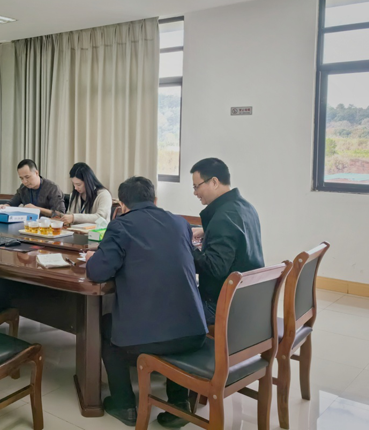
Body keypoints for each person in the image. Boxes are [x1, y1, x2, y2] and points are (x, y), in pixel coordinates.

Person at [85, 176, 207, 427]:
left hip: (147, 340)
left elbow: (97, 272)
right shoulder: (180, 223)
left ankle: (125, 405)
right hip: (194, 330)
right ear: (155, 199)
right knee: (172, 318)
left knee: (106, 325)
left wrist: (93, 257)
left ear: (122, 204)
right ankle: (179, 404)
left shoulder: (121, 225)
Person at [189, 158, 264, 325]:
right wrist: (207, 231)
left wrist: (186, 246)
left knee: (167, 305)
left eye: (196, 186)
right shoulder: (245, 207)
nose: (195, 192)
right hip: (247, 299)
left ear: (214, 182)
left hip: (222, 306)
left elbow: (214, 268)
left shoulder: (223, 218)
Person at [0, 159, 65, 217]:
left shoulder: (52, 188)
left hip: (47, 225)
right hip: (28, 224)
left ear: (36, 173)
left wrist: (37, 209)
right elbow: (12, 203)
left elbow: (60, 214)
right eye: (21, 178)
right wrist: (5, 206)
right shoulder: (23, 188)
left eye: (27, 177)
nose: (24, 181)